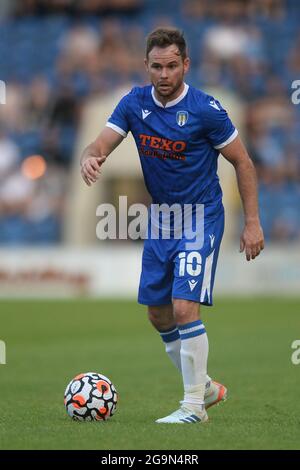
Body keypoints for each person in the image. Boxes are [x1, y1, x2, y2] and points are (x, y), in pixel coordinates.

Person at [80, 28, 264, 424]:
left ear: (186, 65)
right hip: (161, 220)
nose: (164, 74)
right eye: (157, 67)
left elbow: (243, 162)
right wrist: (89, 158)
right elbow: (99, 144)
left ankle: (194, 407)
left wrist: (252, 221)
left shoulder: (206, 109)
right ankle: (208, 388)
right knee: (158, 315)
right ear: (146, 66)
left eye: (172, 66)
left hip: (201, 216)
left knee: (184, 308)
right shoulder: (133, 103)